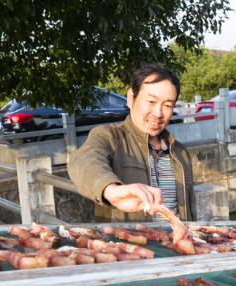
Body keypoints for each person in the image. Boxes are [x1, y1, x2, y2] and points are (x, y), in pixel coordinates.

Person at [68, 63, 194, 222]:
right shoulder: (109, 136)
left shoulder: (180, 152)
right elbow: (84, 161)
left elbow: (188, 208)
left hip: (176, 245)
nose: (158, 113)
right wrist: (112, 190)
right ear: (131, 98)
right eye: (151, 102)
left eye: (167, 105)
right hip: (129, 244)